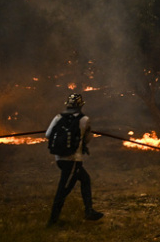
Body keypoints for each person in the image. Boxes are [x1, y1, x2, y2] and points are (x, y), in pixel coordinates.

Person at [45, 93, 104, 226]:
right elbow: (88, 139)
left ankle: (89, 211)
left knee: (85, 179)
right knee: (63, 190)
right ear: (80, 106)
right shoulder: (84, 120)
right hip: (73, 160)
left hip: (59, 158)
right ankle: (52, 221)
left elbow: (48, 134)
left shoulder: (58, 117)